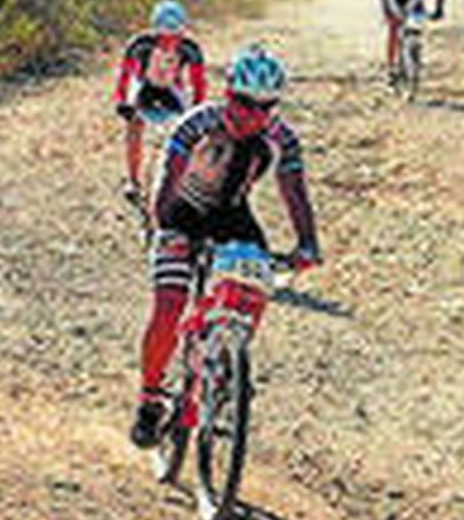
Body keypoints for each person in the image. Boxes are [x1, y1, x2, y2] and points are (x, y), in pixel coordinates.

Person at [129, 44, 322, 449]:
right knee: (169, 303)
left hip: (230, 213)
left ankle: (227, 358)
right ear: (228, 93)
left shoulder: (281, 139)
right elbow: (166, 179)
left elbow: (295, 193)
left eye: (264, 107)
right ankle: (150, 397)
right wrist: (166, 228)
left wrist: (307, 243)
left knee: (256, 281)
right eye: (242, 102)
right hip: (182, 208)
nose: (251, 115)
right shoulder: (197, 122)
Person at [112, 0, 209, 206]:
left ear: (182, 32)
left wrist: (197, 108)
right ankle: (133, 180)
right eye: (164, 38)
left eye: (174, 37)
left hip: (172, 89)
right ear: (155, 32)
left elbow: (199, 82)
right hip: (145, 85)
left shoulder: (191, 49)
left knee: (191, 133)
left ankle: (188, 180)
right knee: (134, 126)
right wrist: (122, 100)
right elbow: (125, 75)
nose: (169, 43)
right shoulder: (140, 45)